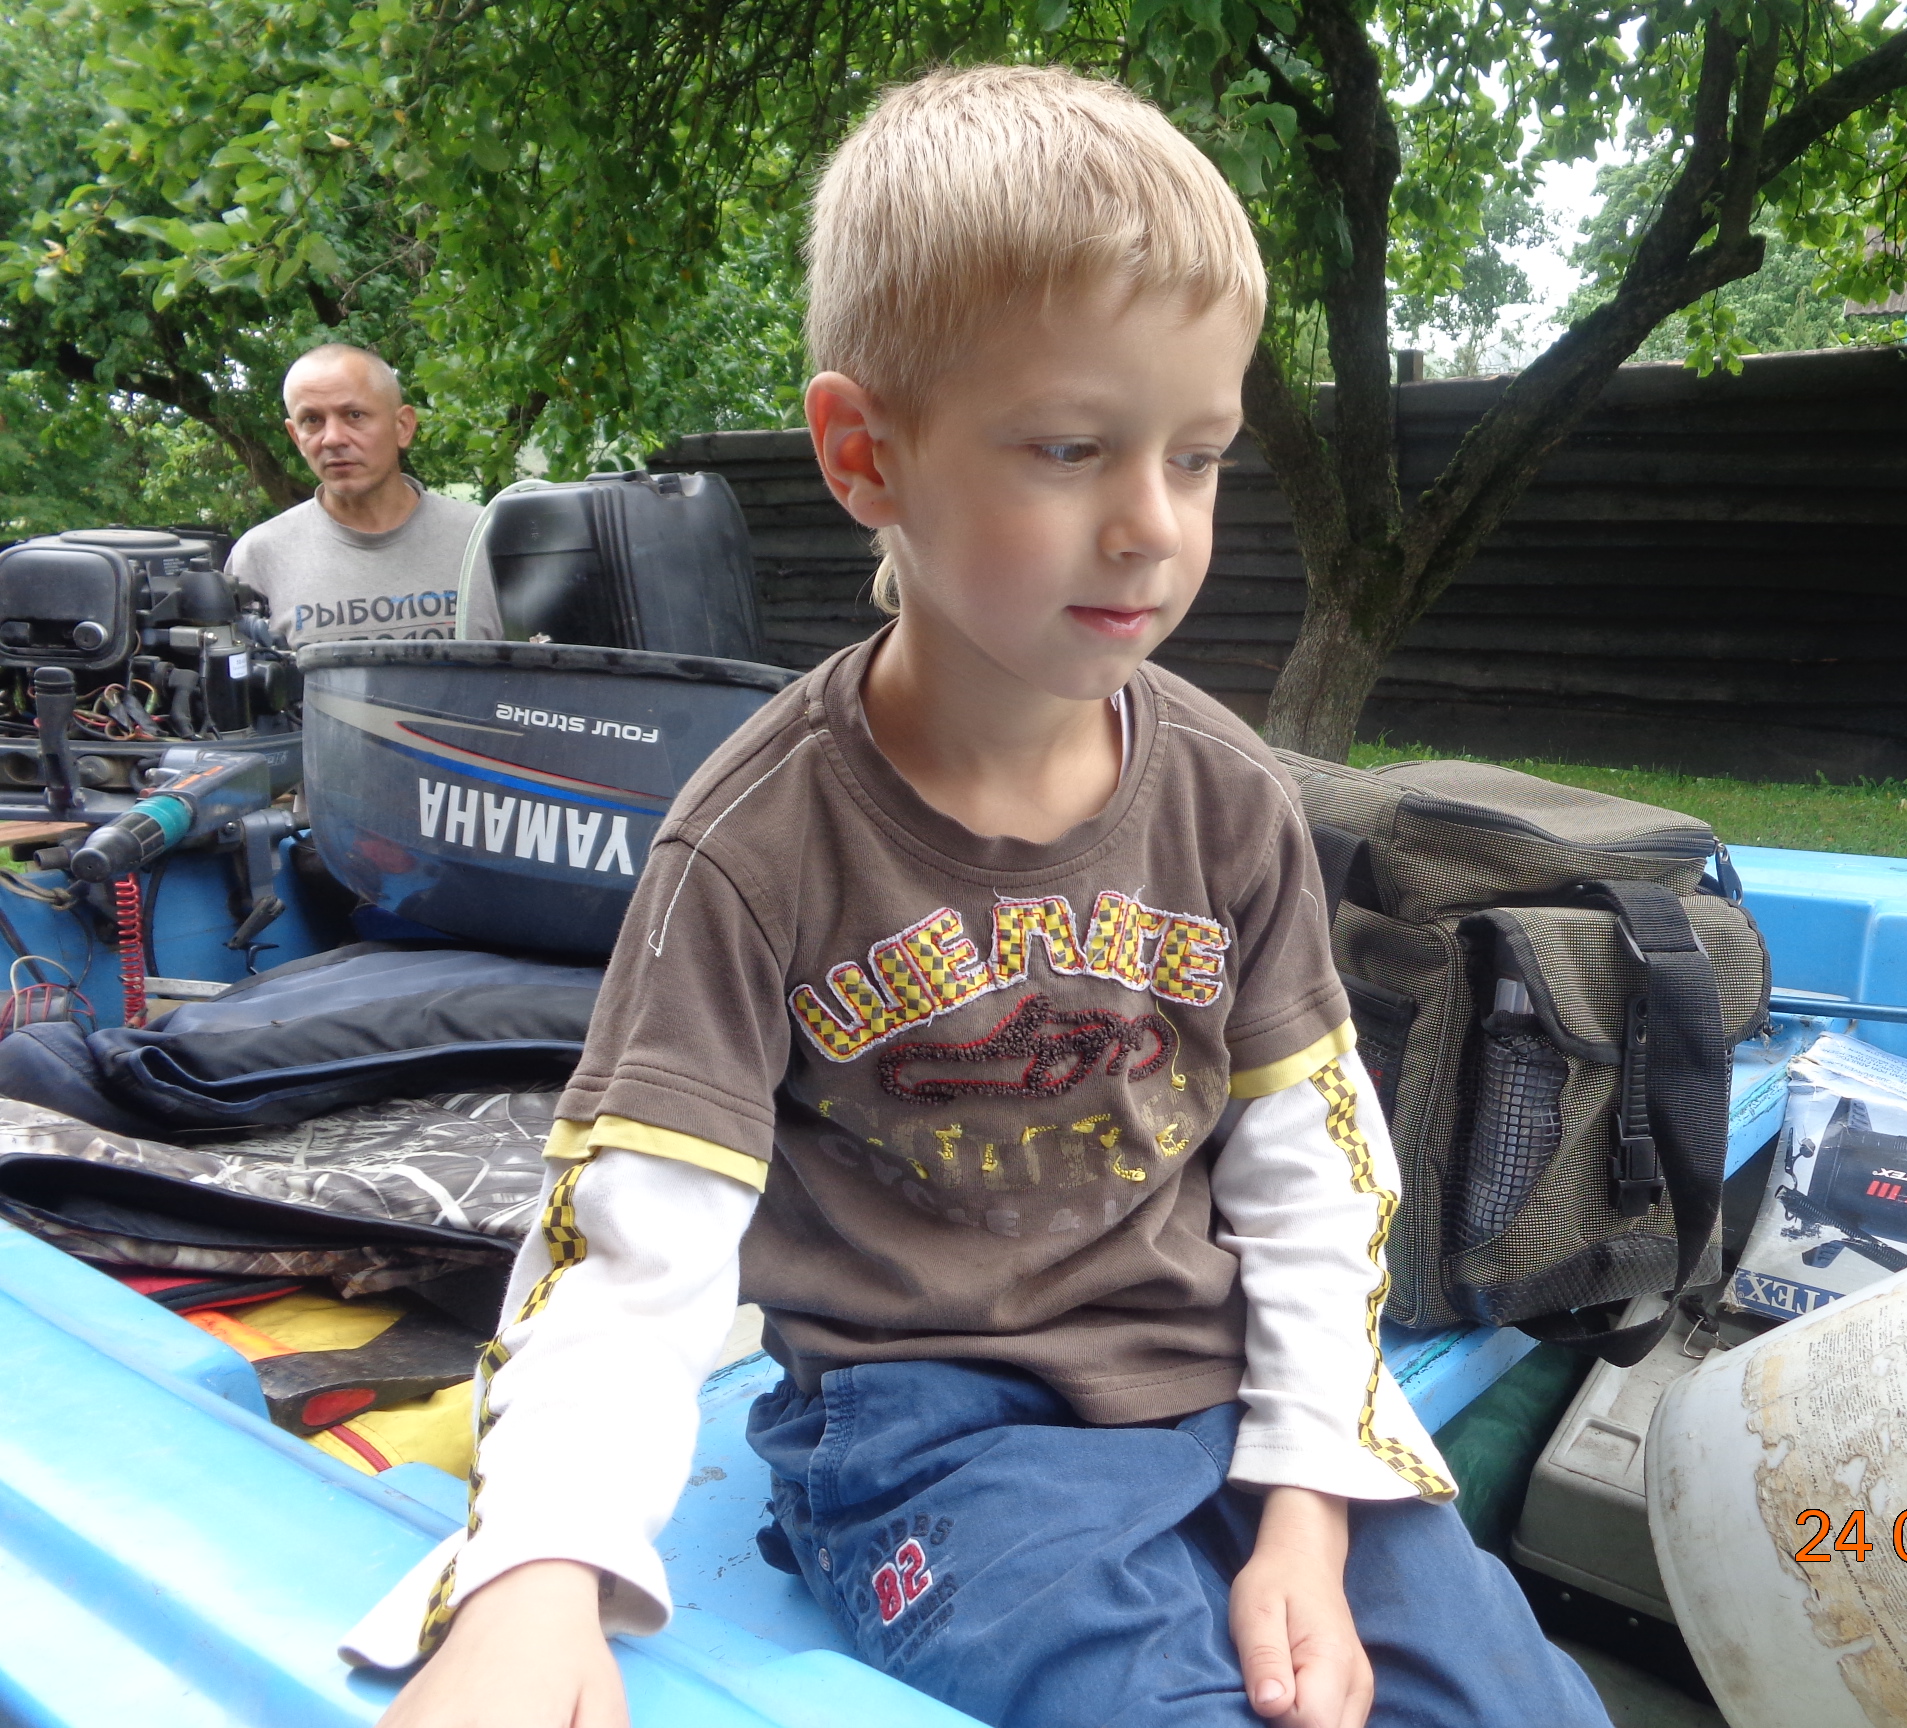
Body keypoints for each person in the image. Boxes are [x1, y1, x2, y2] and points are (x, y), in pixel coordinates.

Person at [351, 66, 1609, 1728]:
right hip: (932, 1431)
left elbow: (1308, 1170)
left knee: (1524, 1705)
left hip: (1227, 1382)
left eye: (1199, 456)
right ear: (863, 453)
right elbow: (630, 1247)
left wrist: (1310, 1502)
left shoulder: (1227, 797)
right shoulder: (756, 845)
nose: (1151, 526)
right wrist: (535, 1571)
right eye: (1071, 447)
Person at [225, 343, 501, 649]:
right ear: (297, 438)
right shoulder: (259, 557)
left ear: (403, 426)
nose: (332, 439)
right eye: (312, 420)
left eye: (354, 415)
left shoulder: (487, 540)